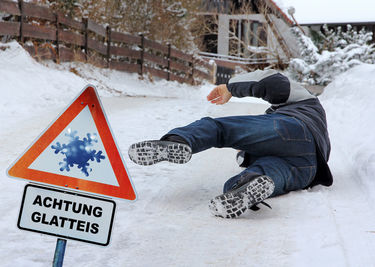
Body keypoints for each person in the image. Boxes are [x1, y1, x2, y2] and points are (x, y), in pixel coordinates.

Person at [129, 69, 333, 219]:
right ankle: (246, 186)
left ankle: (179, 141)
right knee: (260, 174)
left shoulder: (306, 102)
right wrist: (247, 151)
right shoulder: (318, 130)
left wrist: (229, 87)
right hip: (309, 168)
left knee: (219, 129)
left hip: (294, 128)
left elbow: (273, 81)